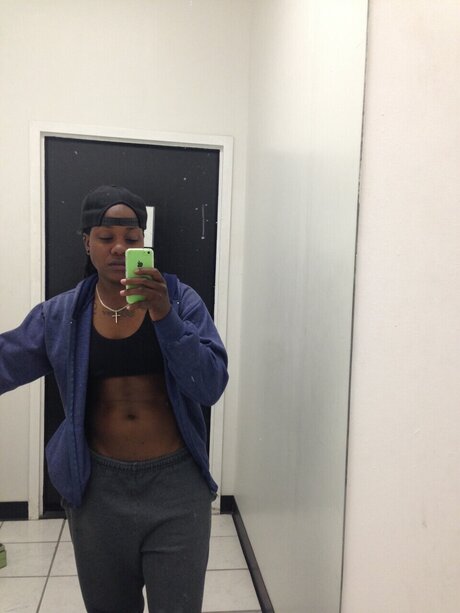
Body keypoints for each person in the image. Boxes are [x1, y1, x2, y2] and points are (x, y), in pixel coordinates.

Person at [0, 185, 229, 613]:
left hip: (176, 487)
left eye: (131, 237)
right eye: (106, 237)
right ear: (87, 243)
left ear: (144, 243)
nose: (120, 247)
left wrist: (165, 316)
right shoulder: (62, 315)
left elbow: (210, 384)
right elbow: (6, 360)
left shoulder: (181, 300)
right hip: (97, 490)